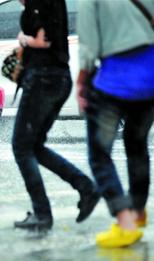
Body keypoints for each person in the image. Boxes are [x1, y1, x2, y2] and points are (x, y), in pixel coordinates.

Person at [12, 0, 100, 232]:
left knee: (21, 147)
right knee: (34, 146)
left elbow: (44, 40)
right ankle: (85, 187)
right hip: (57, 79)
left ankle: (42, 215)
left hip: (43, 78)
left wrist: (23, 39)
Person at [76, 0, 154, 248]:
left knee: (99, 153)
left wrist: (81, 82)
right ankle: (138, 211)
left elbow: (89, 45)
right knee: (137, 144)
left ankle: (125, 222)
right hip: (151, 79)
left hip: (115, 81)